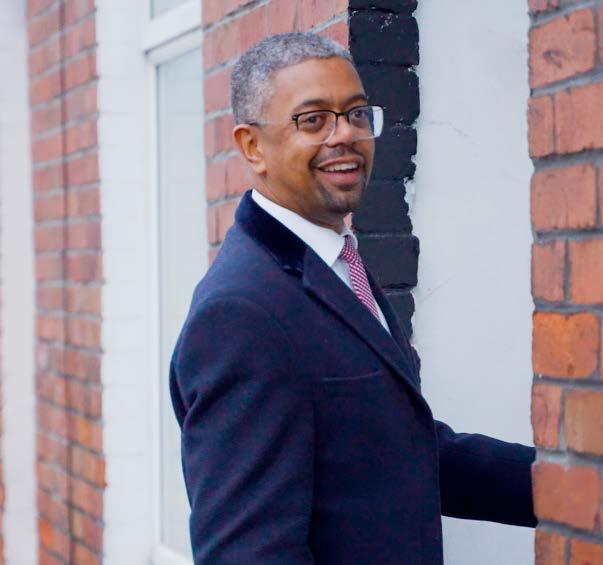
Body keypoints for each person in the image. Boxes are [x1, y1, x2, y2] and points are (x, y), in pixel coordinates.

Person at [169, 32, 536, 564]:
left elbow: (399, 452)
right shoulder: (241, 314)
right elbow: (249, 552)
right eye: (313, 119)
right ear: (252, 147)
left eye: (357, 114)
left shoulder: (334, 264)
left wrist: (579, 486)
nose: (345, 135)